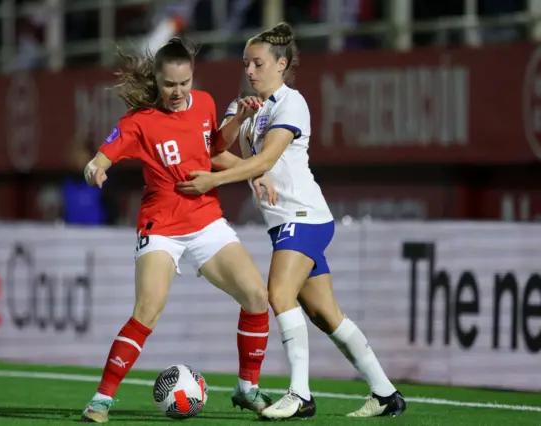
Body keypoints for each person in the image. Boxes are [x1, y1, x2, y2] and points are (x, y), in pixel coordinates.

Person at [177, 22, 407, 420]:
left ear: (281, 65)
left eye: (259, 63)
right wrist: (237, 131)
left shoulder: (291, 103)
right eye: (246, 63)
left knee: (278, 296)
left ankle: (300, 394)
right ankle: (386, 394)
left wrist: (229, 177)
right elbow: (214, 152)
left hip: (304, 217)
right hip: (286, 222)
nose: (250, 71)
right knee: (324, 314)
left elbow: (264, 160)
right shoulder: (243, 107)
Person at [80, 38, 274, 423]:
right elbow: (98, 160)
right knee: (147, 310)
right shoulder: (138, 123)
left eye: (184, 82)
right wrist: (95, 170)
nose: (178, 91)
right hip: (161, 226)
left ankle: (247, 389)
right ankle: (101, 400)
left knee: (256, 295)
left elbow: (213, 150)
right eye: (170, 84)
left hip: (205, 220)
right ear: (157, 80)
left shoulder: (203, 103)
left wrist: (241, 141)